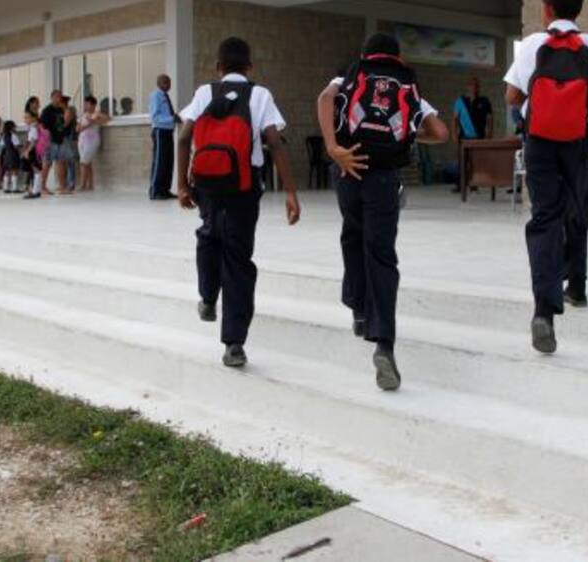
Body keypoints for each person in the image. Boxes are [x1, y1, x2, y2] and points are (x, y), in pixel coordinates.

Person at [317, 33, 449, 390]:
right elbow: (440, 131)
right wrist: (406, 134)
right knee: (382, 255)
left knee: (352, 234)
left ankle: (359, 307)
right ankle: (384, 346)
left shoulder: (350, 74)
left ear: (365, 55)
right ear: (397, 58)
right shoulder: (405, 84)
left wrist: (333, 147)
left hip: (349, 167)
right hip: (385, 177)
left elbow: (325, 99)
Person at [504, 0, 588, 353]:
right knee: (577, 210)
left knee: (545, 218)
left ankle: (543, 312)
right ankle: (578, 287)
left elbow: (511, 95)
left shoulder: (534, 44)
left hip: (539, 142)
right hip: (576, 142)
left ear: (547, 8)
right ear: (578, 8)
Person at [177, 37, 300, 369]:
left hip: (206, 184)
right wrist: (290, 191)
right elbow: (274, 142)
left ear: (218, 67)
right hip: (245, 188)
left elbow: (185, 136)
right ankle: (234, 344)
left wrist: (182, 185)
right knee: (238, 258)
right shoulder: (260, 95)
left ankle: (207, 296)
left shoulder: (205, 92)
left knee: (209, 234)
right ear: (249, 67)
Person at [451, 76, 494, 193]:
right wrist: (454, 134)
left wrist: (489, 134)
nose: (473, 87)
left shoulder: (485, 101)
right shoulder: (460, 101)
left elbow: (490, 119)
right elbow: (454, 119)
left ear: (479, 87)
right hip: (464, 137)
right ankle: (460, 185)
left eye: (476, 85)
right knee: (462, 161)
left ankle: (473, 184)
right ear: (467, 86)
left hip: (479, 137)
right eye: (471, 85)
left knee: (475, 162)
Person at [149, 74, 179, 200]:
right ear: (159, 83)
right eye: (166, 82)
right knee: (160, 161)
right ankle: (155, 191)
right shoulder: (156, 95)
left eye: (170, 82)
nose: (169, 85)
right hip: (160, 131)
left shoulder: (165, 96)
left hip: (168, 131)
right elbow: (155, 117)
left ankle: (165, 190)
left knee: (168, 161)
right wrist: (172, 118)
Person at [39, 89, 71, 196]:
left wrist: (65, 109)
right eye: (57, 96)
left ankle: (62, 187)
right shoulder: (47, 110)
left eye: (60, 96)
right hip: (50, 141)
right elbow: (42, 125)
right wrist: (45, 138)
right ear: (52, 97)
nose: (59, 98)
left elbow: (66, 122)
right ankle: (42, 187)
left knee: (61, 162)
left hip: (61, 139)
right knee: (47, 163)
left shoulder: (63, 109)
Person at [77, 95, 110, 191]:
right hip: (82, 141)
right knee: (87, 163)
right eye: (85, 103)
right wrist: (88, 124)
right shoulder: (82, 115)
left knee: (83, 162)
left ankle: (82, 185)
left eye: (87, 104)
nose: (85, 105)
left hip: (92, 141)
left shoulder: (97, 114)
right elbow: (78, 129)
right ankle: (90, 185)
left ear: (93, 105)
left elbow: (107, 119)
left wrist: (94, 121)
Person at [22, 97, 45, 200]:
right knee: (36, 170)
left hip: (33, 150)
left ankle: (36, 191)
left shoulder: (34, 127)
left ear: (33, 118)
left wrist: (27, 150)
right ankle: (36, 189)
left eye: (27, 118)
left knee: (36, 170)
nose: (25, 120)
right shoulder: (34, 126)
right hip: (35, 150)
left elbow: (34, 140)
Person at [0, 119, 23, 193]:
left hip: (6, 155)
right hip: (13, 154)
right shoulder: (13, 136)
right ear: (12, 127)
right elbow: (16, 146)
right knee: (14, 170)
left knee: (7, 171)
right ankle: (14, 188)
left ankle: (6, 187)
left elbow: (2, 145)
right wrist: (21, 148)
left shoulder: (4, 136)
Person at [62, 97, 79, 192]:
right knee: (67, 162)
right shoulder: (66, 110)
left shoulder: (68, 110)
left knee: (70, 162)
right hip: (68, 138)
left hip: (69, 138)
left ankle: (71, 184)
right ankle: (67, 184)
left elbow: (65, 124)